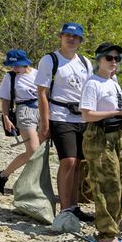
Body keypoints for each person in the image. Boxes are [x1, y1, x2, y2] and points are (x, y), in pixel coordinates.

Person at [79, 42, 122, 242]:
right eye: (109, 58)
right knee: (106, 186)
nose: (114, 62)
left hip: (117, 135)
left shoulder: (113, 82)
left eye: (117, 59)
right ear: (99, 60)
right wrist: (117, 113)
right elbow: (87, 114)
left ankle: (113, 229)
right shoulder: (93, 83)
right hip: (99, 136)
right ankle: (105, 234)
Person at [36, 22, 93, 219]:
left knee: (78, 162)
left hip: (82, 118)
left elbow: (90, 91)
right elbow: (42, 93)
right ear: (60, 37)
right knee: (67, 161)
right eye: (67, 35)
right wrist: (45, 124)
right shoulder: (50, 59)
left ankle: (73, 206)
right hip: (60, 116)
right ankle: (64, 209)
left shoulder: (86, 62)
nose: (71, 39)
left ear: (81, 40)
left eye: (75, 36)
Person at [0, 49, 41, 194]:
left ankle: (5, 177)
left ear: (26, 63)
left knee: (39, 153)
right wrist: (6, 118)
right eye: (12, 66)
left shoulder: (37, 73)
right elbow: (5, 100)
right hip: (24, 111)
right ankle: (4, 176)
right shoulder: (10, 77)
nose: (14, 69)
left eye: (17, 66)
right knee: (33, 151)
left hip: (42, 111)